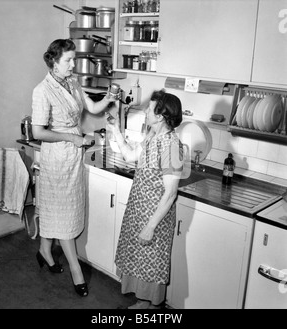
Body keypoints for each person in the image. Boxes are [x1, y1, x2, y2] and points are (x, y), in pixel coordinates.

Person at [31, 39, 116, 297]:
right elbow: (38, 131)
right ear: (54, 62)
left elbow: (92, 107)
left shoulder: (72, 82)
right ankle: (76, 270)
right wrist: (73, 138)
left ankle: (45, 251)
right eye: (68, 60)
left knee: (57, 210)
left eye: (73, 59)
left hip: (73, 157)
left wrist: (109, 99)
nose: (73, 64)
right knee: (64, 214)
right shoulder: (42, 90)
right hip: (56, 158)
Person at [106, 89, 187, 309]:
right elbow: (131, 156)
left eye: (150, 109)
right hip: (138, 209)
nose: (145, 112)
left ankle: (152, 307)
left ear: (160, 116)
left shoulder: (171, 147)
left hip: (154, 216)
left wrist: (150, 227)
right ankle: (143, 303)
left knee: (151, 262)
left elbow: (170, 194)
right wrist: (116, 131)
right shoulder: (152, 136)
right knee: (139, 260)